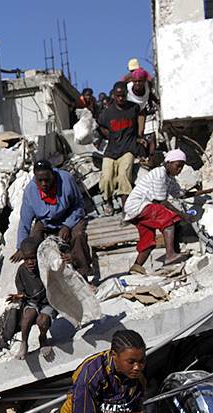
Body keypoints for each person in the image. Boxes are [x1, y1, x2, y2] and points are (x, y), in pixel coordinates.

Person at [123, 149, 211, 273]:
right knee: (169, 216)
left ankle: (135, 268)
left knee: (148, 240)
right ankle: (170, 255)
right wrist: (183, 215)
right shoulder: (159, 174)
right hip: (137, 206)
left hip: (140, 210)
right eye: (177, 166)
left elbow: (181, 195)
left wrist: (206, 191)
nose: (179, 170)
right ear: (168, 163)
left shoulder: (170, 179)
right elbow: (161, 201)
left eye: (181, 167)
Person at [12, 159, 91, 278]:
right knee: (34, 242)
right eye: (40, 181)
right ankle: (43, 278)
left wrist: (67, 225)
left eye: (47, 179)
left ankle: (83, 272)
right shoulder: (30, 191)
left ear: (52, 175)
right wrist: (20, 247)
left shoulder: (66, 180)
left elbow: (79, 205)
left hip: (69, 217)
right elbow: (25, 221)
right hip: (46, 222)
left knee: (78, 235)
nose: (44, 183)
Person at [97, 82, 146, 215]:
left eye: (123, 96)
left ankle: (126, 207)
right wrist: (106, 134)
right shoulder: (107, 113)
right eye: (118, 96)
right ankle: (108, 202)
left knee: (124, 175)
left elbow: (142, 113)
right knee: (106, 178)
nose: (120, 99)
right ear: (113, 95)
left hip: (128, 149)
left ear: (126, 94)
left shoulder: (133, 108)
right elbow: (99, 124)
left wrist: (139, 135)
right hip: (111, 150)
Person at [7, 238, 55, 361]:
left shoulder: (45, 267)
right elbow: (22, 293)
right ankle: (24, 343)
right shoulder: (22, 271)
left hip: (48, 302)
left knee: (42, 320)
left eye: (33, 258)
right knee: (27, 317)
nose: (30, 262)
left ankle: (43, 338)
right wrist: (18, 297)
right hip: (32, 302)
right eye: (26, 259)